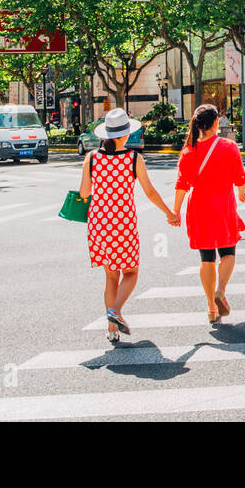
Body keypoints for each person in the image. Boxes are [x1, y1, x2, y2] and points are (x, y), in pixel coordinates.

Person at [80, 108, 179, 343]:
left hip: (99, 223)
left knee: (111, 276)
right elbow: (150, 192)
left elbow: (84, 193)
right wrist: (170, 213)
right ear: (126, 133)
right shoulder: (134, 158)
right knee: (131, 272)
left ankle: (112, 329)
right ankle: (115, 311)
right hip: (123, 223)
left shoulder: (92, 158)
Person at [174, 104, 245, 325]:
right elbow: (239, 178)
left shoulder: (189, 150)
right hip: (223, 207)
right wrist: (242, 194)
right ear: (216, 123)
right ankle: (221, 291)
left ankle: (210, 308)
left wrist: (175, 211)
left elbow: (181, 185)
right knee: (228, 252)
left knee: (206, 258)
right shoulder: (228, 146)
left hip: (198, 208)